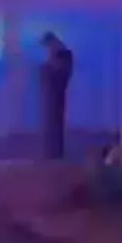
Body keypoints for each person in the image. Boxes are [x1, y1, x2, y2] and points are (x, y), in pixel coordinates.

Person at [38, 31, 73, 160]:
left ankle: (54, 153)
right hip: (54, 95)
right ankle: (53, 152)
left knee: (54, 123)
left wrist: (46, 68)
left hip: (55, 95)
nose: (48, 49)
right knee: (53, 123)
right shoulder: (62, 54)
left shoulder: (62, 55)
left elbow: (58, 73)